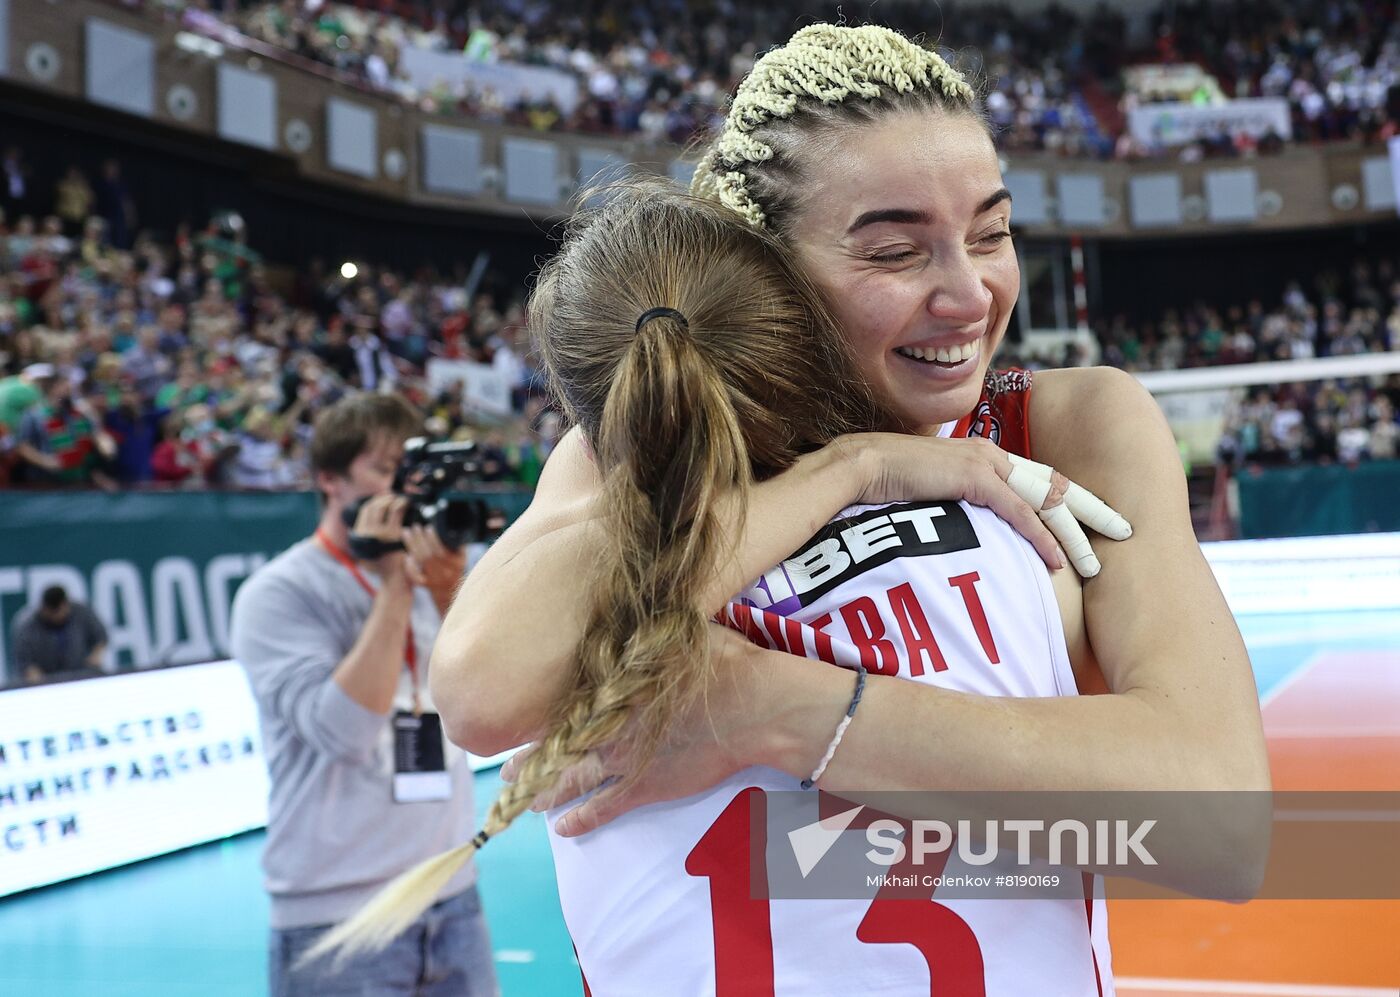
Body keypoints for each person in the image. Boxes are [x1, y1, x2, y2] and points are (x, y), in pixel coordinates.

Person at [432, 21, 1269, 888]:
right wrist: (856, 468)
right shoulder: (660, 439)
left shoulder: (1067, 428)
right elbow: (484, 694)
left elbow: (1220, 827)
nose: (970, 293)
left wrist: (778, 710)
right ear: (769, 271)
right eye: (895, 253)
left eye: (991, 234)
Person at [228, 392, 497, 997]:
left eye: (409, 472)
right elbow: (344, 732)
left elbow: (493, 697)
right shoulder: (278, 593)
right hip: (337, 913)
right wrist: (395, 591)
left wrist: (448, 589)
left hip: (449, 890)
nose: (400, 490)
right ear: (328, 479)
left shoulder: (434, 568)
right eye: (382, 470)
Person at [10, 585, 107, 684]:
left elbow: (100, 635)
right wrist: (33, 674)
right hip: (47, 682)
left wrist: (96, 654)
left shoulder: (81, 612)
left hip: (81, 676)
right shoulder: (27, 626)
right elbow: (23, 661)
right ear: (44, 609)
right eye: (52, 612)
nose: (56, 616)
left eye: (59, 611)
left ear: (66, 605)